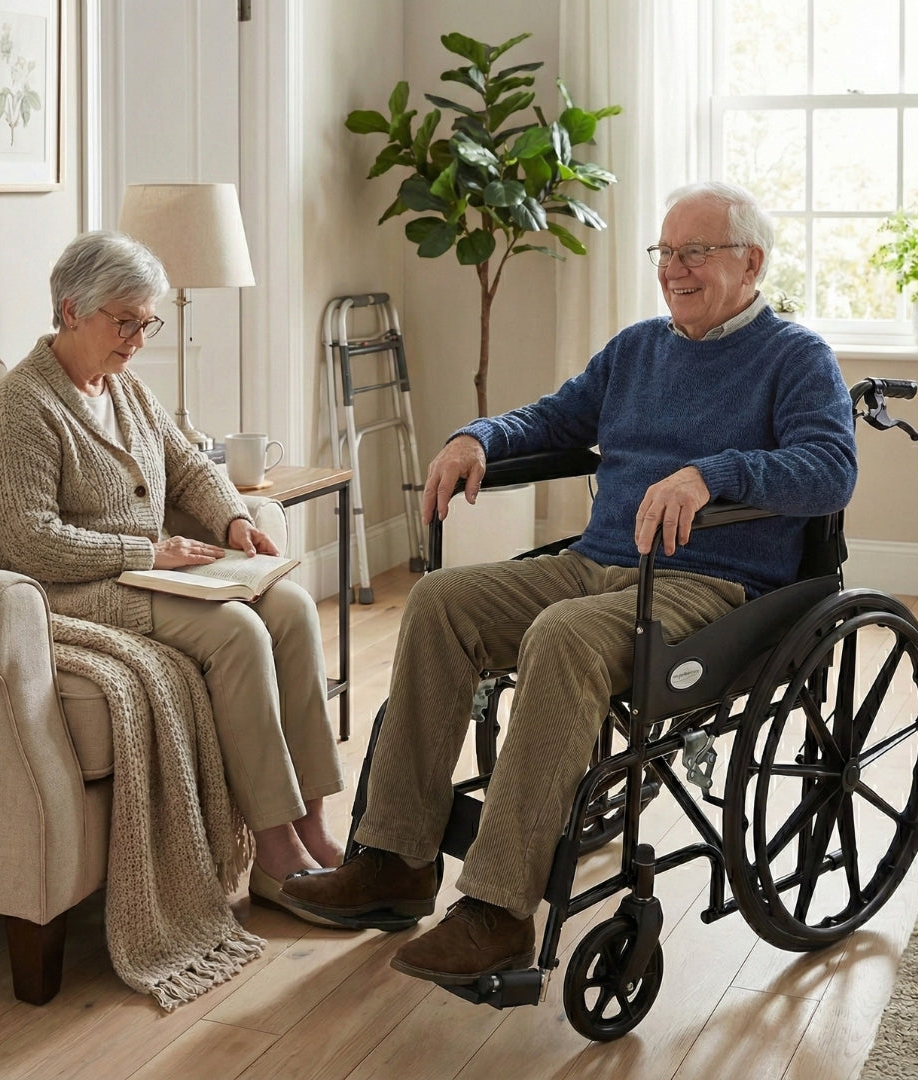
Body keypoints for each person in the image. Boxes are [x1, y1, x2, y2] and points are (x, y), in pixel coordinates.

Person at [280, 180, 859, 982]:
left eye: (695, 252)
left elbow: (830, 470)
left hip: (714, 586)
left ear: (752, 262)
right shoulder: (637, 349)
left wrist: (712, 475)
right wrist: (477, 437)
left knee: (562, 636)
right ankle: (394, 862)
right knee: (440, 600)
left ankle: (497, 911)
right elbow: (552, 418)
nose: (674, 269)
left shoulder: (796, 358)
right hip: (598, 562)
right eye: (665, 252)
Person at [0, 231, 345, 925]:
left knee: (294, 608)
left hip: (153, 572)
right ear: (70, 311)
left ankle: (313, 824)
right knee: (240, 633)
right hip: (74, 592)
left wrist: (234, 522)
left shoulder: (126, 387)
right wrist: (145, 553)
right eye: (124, 322)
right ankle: (274, 850)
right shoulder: (22, 406)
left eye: (145, 322)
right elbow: (27, 541)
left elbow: (189, 467)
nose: (138, 339)